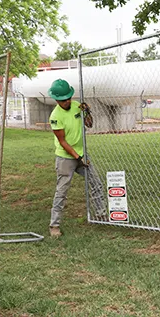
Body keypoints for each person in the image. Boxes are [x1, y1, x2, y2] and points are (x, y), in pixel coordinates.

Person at [48, 79, 106, 238]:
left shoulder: (77, 106)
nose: (67, 101)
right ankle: (54, 225)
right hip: (66, 158)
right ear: (56, 99)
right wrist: (77, 157)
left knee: (96, 183)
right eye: (63, 99)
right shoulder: (55, 116)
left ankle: (101, 215)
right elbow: (62, 141)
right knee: (62, 191)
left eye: (68, 97)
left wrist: (88, 112)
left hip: (82, 154)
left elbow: (89, 124)